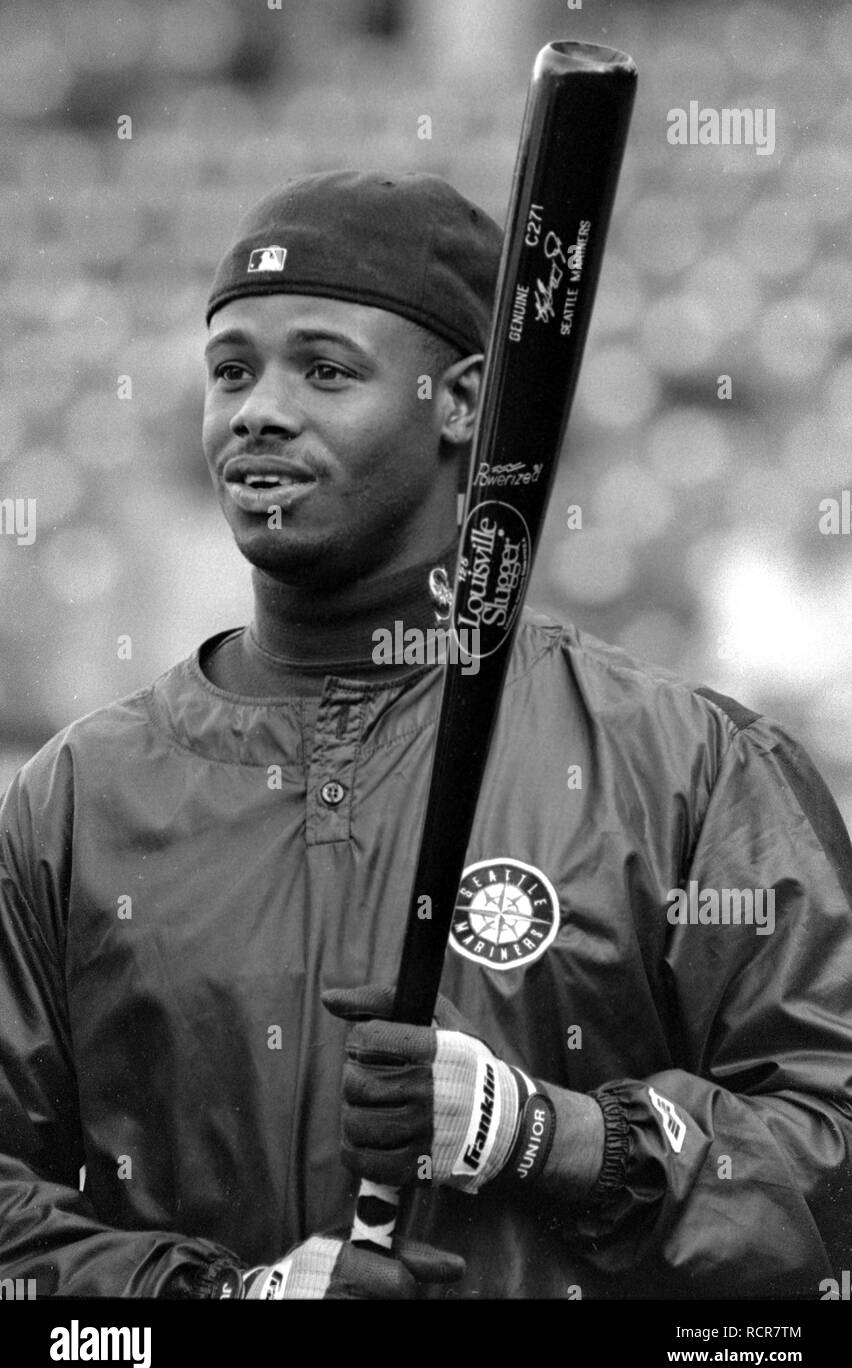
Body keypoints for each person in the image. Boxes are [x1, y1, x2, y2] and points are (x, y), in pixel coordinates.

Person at [0, 171, 850, 1301]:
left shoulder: (687, 765)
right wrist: (218, 1301)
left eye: (326, 369)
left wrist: (545, 1131)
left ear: (460, 404)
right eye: (231, 369)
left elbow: (827, 1151)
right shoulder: (76, 797)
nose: (257, 408)